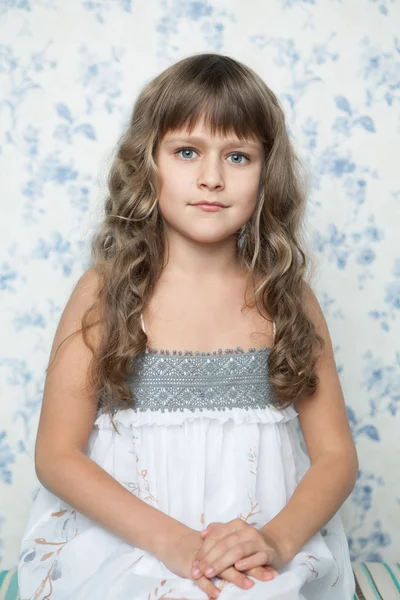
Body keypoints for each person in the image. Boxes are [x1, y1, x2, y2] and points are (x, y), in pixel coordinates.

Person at [17, 53, 357, 600]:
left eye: (239, 156)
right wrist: (174, 543)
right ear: (148, 162)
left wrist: (274, 539)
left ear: (267, 170)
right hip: (129, 538)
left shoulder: (287, 298)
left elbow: (337, 457)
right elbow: (56, 454)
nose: (212, 178)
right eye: (187, 151)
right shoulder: (106, 293)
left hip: (262, 536)